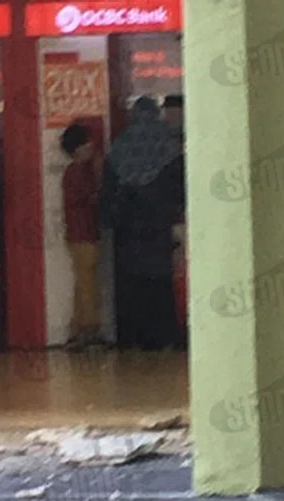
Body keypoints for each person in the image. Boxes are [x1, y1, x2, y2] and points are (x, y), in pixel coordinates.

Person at [101, 96, 185, 351]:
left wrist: (107, 219)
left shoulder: (119, 147)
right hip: (158, 224)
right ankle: (160, 334)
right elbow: (180, 188)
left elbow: (108, 190)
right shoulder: (168, 147)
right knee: (159, 279)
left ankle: (130, 335)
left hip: (127, 227)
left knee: (129, 281)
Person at [60, 123, 103, 349]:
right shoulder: (78, 173)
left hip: (79, 234)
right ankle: (90, 329)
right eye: (86, 142)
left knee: (82, 282)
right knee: (88, 284)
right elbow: (92, 197)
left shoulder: (72, 172)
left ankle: (77, 329)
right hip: (83, 233)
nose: (91, 146)